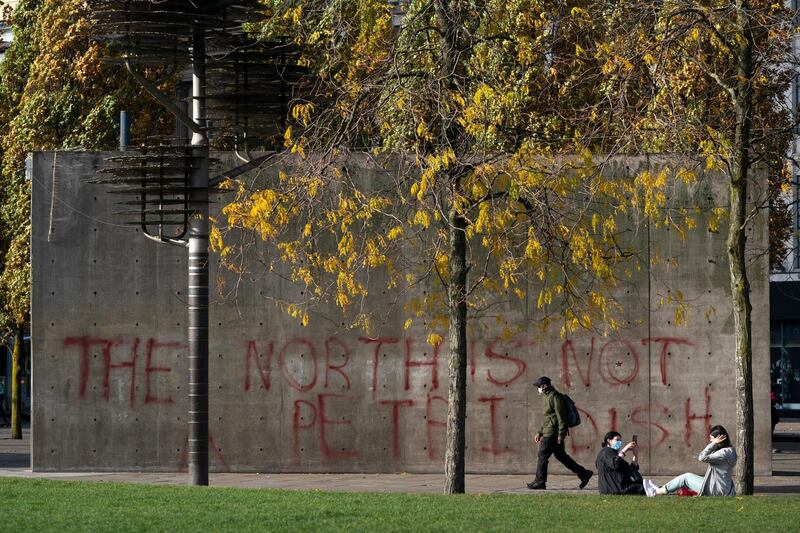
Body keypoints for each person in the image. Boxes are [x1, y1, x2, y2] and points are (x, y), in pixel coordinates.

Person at [527, 376, 593, 490]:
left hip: (553, 433)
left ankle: (540, 481)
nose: (538, 388)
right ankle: (583, 473)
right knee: (562, 456)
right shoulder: (545, 397)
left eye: (539, 386)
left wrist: (561, 435)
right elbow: (547, 417)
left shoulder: (556, 397)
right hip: (548, 431)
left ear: (545, 386)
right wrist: (540, 432)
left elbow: (561, 419)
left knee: (542, 455)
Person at [644, 425, 737, 497]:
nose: (710, 441)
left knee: (686, 477)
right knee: (687, 481)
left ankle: (655, 492)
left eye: (712, 440)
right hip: (723, 489)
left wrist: (713, 444)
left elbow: (702, 457)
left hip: (716, 491)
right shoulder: (731, 451)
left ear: (719, 439)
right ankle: (661, 489)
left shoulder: (723, 453)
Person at [595, 431, 645, 495]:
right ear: (609, 440)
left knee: (646, 487)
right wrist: (625, 449)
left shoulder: (614, 454)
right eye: (617, 440)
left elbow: (632, 469)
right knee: (646, 488)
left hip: (621, 487)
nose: (619, 442)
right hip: (614, 489)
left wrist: (635, 454)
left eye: (620, 441)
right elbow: (615, 463)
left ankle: (660, 490)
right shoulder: (606, 451)